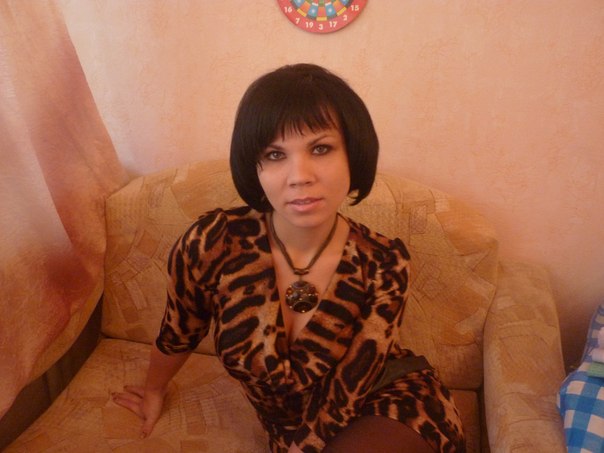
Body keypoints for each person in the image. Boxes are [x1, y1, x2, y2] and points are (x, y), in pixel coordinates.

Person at [112, 63, 465, 453]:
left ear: (353, 154)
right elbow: (180, 328)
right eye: (275, 154)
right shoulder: (213, 242)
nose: (299, 175)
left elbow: (351, 387)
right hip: (293, 428)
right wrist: (154, 389)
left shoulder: (383, 262)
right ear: (254, 167)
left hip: (393, 404)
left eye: (321, 148)